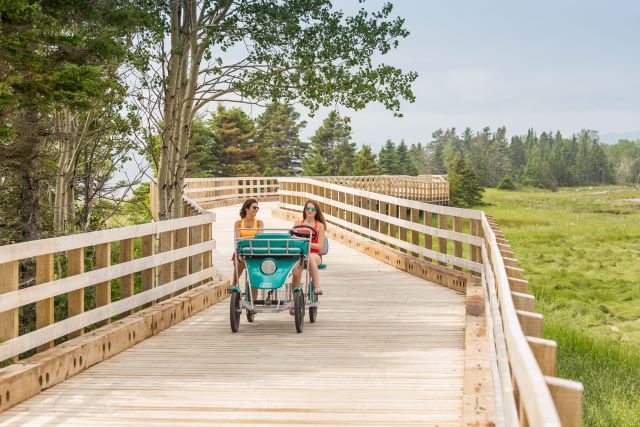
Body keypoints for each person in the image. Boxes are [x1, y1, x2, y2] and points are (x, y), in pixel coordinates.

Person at [291, 199, 326, 296]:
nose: (310, 211)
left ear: (316, 212)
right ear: (305, 210)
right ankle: (295, 298)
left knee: (310, 257)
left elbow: (319, 246)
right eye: (308, 208)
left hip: (315, 254)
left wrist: (305, 243)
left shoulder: (320, 226)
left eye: (313, 209)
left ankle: (317, 286)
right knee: (296, 272)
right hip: (300, 254)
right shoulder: (298, 223)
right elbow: (291, 238)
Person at [232, 198, 263, 301]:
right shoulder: (238, 223)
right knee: (239, 261)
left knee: (255, 273)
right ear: (247, 208)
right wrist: (251, 239)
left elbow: (259, 239)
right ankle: (234, 284)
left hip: (256, 252)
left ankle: (253, 301)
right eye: (254, 207)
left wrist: (245, 239)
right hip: (243, 252)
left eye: (257, 208)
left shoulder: (259, 223)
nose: (256, 210)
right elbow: (237, 239)